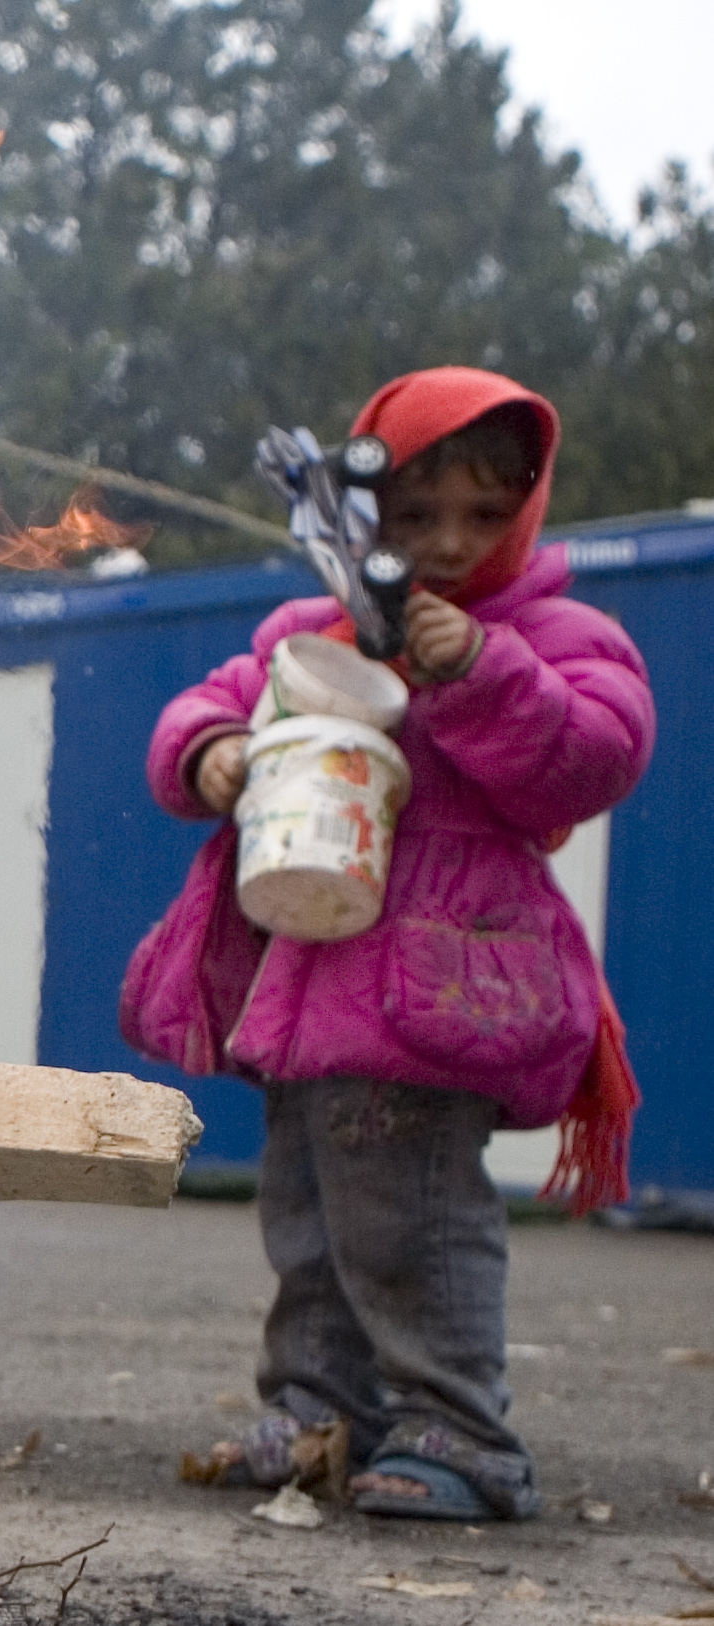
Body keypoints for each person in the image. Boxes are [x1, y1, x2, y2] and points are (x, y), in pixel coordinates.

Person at [121, 368, 656, 1521]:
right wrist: (214, 750)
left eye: (484, 516)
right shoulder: (309, 630)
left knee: (411, 1220)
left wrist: (474, 667)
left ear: (528, 511)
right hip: (308, 986)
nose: (451, 544)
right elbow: (200, 706)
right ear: (365, 519)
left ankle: (462, 1434)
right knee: (312, 1221)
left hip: (441, 994)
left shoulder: (553, 635)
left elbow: (594, 755)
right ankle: (322, 1416)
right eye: (417, 518)